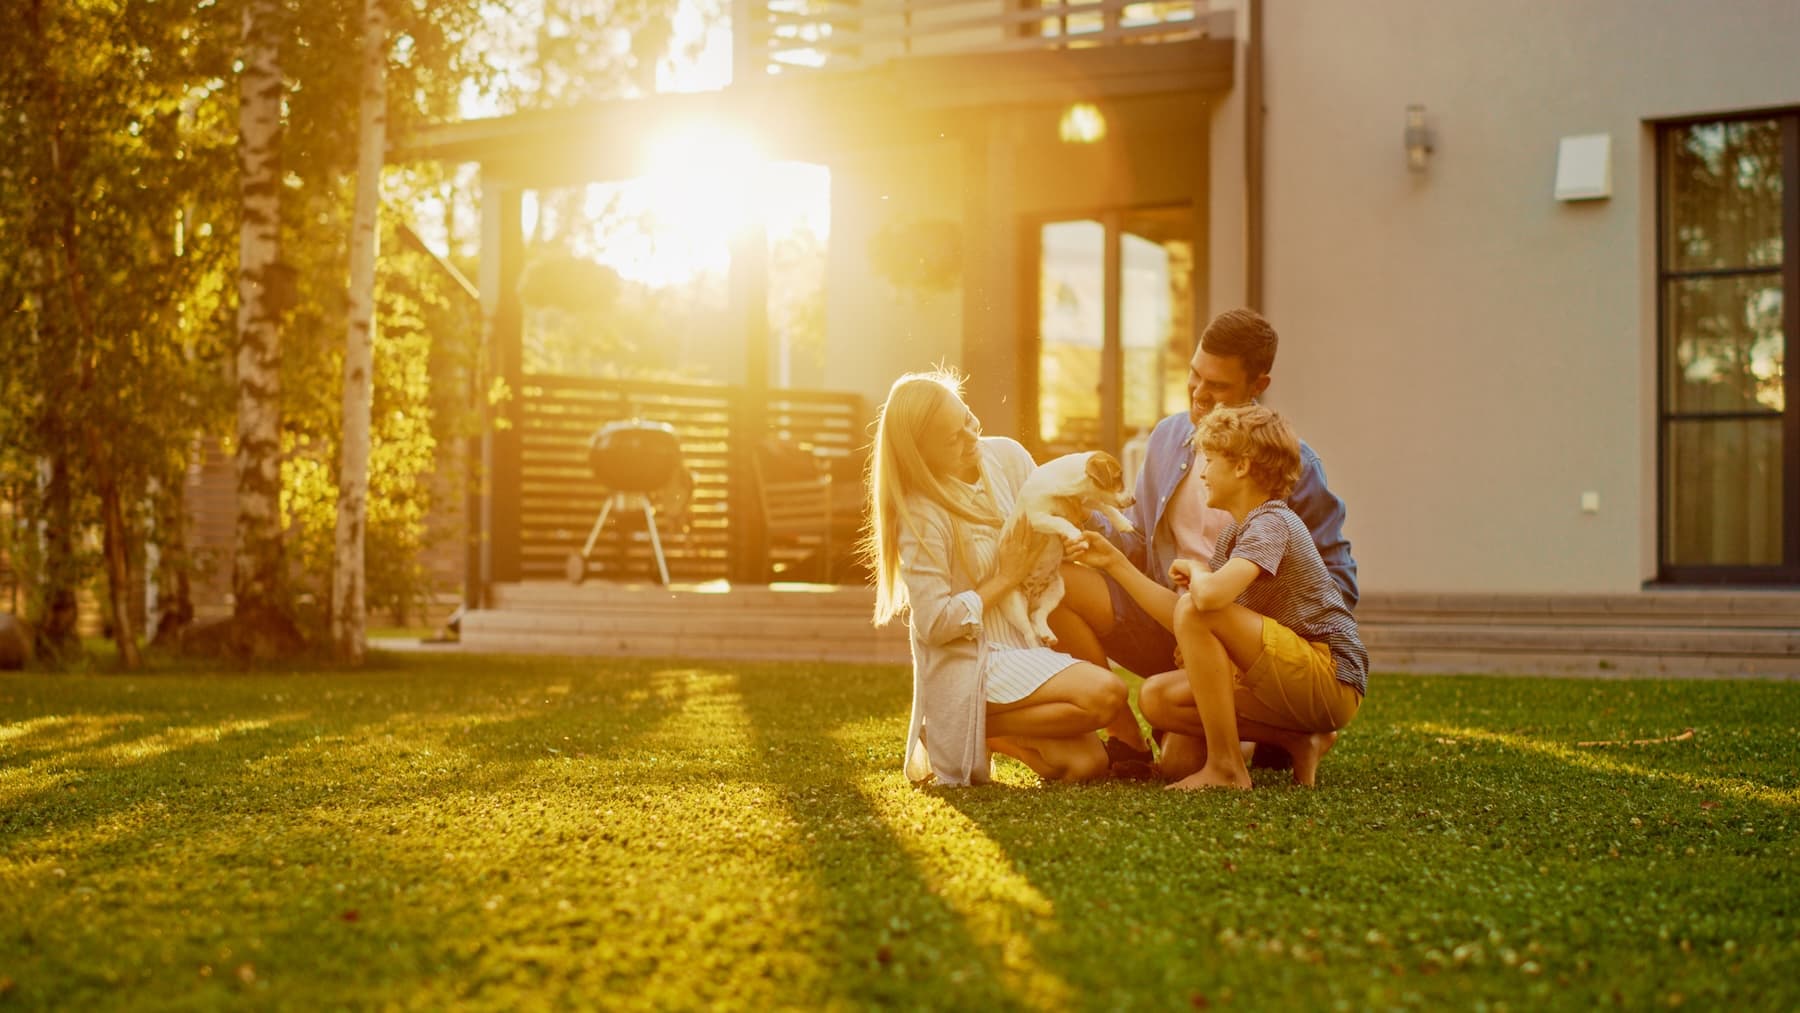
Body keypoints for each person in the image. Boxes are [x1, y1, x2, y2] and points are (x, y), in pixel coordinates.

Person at [1048, 308, 1356, 777]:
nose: (1198, 392)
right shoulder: (1168, 439)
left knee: (1178, 764)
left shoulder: (1294, 468)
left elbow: (1336, 581)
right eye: (1194, 375)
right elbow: (1136, 535)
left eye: (1218, 386)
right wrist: (1084, 515)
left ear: (1257, 385)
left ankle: (1274, 731)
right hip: (1171, 621)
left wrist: (1258, 643)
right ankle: (1126, 739)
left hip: (1245, 640)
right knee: (1059, 582)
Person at [863, 370, 1135, 786]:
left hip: (1021, 638)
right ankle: (954, 716)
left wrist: (1075, 534)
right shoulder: (921, 514)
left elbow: (1047, 518)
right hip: (970, 657)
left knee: (1087, 765)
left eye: (968, 419)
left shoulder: (1006, 456)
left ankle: (974, 728)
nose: (972, 438)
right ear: (920, 454)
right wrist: (1006, 578)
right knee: (1107, 694)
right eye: (953, 439)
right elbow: (935, 625)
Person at [1076, 403, 1366, 788]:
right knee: (1157, 698)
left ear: (1242, 467)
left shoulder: (1273, 522)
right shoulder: (1236, 533)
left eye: (1209, 460)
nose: (1203, 472)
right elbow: (1184, 610)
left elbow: (1207, 603)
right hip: (1284, 675)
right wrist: (1115, 563)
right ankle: (1297, 739)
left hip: (1329, 674)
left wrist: (1197, 572)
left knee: (1199, 610)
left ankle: (1226, 767)